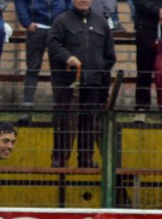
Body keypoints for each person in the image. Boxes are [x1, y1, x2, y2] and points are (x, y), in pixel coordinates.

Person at [47, 0, 116, 168]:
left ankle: (85, 159)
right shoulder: (61, 21)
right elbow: (53, 45)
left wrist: (99, 70)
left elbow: (109, 55)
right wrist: (67, 58)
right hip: (67, 84)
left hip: (93, 83)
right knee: (64, 122)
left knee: (89, 123)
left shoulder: (101, 22)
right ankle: (60, 158)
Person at [15, 0, 70, 125]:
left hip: (59, 28)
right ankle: (27, 110)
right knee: (32, 70)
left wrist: (66, 21)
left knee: (58, 72)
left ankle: (58, 111)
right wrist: (26, 22)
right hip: (36, 28)